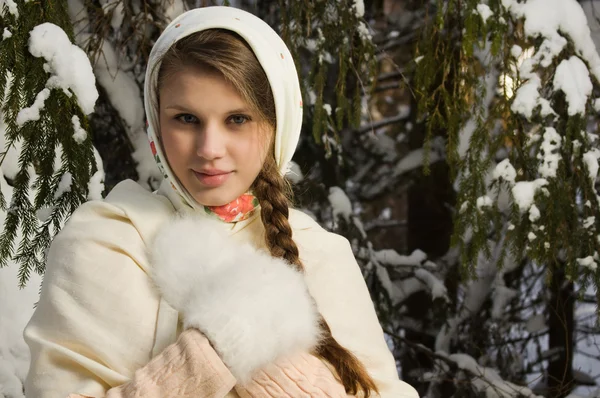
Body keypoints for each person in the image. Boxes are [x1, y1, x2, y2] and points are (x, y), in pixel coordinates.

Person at [23, 6, 419, 398]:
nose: (210, 149)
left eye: (237, 119)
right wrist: (213, 352)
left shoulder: (321, 254)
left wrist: (274, 366)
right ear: (156, 120)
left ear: (277, 123)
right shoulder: (106, 241)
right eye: (187, 119)